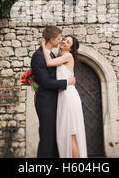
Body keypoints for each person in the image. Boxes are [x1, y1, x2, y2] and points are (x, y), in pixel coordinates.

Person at [31, 26, 76, 158]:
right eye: (58, 38)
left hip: (56, 101)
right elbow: (45, 82)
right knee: (47, 138)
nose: (60, 41)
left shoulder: (50, 54)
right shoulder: (38, 56)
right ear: (51, 40)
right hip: (46, 103)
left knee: (55, 138)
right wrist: (66, 82)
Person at [41, 34, 87, 158]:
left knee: (70, 134)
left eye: (68, 42)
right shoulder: (61, 57)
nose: (64, 42)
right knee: (65, 134)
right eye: (64, 40)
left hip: (69, 96)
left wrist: (43, 46)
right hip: (63, 96)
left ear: (71, 48)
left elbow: (49, 63)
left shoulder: (68, 56)